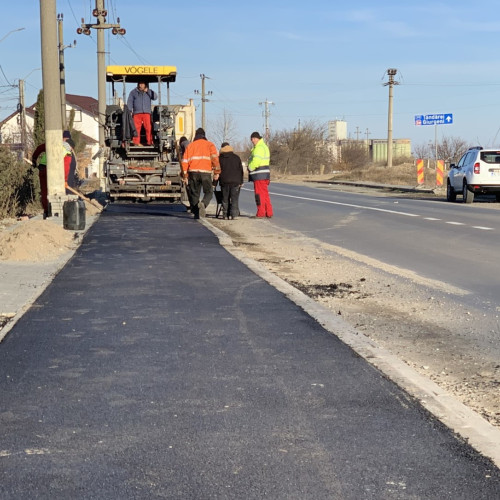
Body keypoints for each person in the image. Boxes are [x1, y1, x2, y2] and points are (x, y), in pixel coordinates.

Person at [181, 128, 220, 219]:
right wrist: (216, 172)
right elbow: (215, 159)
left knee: (194, 193)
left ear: (196, 135)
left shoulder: (191, 146)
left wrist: (185, 175)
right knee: (209, 191)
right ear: (204, 135)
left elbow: (185, 161)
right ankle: (203, 204)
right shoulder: (210, 145)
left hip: (193, 172)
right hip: (206, 172)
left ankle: (196, 213)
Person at [31, 139, 73, 217]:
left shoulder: (52, 144)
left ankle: (46, 211)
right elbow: (66, 169)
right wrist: (65, 180)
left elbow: (39, 148)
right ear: (70, 148)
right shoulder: (67, 153)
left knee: (44, 191)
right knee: (54, 190)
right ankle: (52, 211)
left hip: (42, 168)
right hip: (52, 171)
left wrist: (34, 159)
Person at [248, 131, 273, 218]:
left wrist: (250, 167)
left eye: (254, 138)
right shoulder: (263, 147)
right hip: (264, 174)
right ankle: (268, 212)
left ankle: (261, 213)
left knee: (259, 195)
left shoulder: (259, 148)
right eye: (251, 139)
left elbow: (256, 161)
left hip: (259, 175)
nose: (252, 140)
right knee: (265, 194)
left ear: (258, 138)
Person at [127, 80, 157, 146]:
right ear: (138, 84)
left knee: (148, 128)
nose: (141, 85)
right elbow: (130, 101)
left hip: (146, 113)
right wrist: (129, 110)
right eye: (140, 84)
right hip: (136, 113)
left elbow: (155, 97)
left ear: (145, 85)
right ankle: (136, 142)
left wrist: (148, 91)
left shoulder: (149, 92)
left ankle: (149, 142)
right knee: (136, 128)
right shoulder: (133, 92)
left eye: (142, 84)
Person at [219, 142, 243, 220]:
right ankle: (234, 215)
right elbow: (240, 171)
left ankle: (225, 215)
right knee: (234, 199)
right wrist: (241, 181)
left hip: (224, 181)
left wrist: (214, 183)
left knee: (225, 199)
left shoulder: (220, 158)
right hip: (235, 181)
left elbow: (217, 171)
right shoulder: (236, 157)